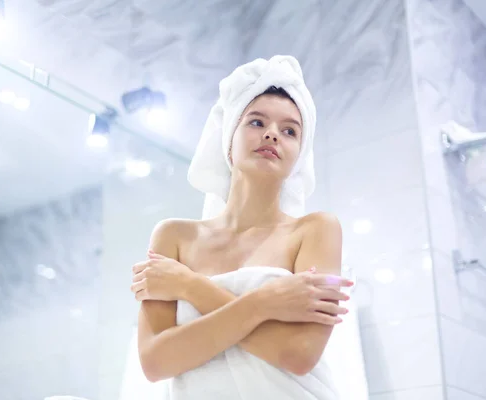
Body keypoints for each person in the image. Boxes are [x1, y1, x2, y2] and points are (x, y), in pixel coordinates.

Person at [130, 55, 353, 399]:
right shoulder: (173, 237)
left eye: (290, 130)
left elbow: (298, 355)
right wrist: (266, 304)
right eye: (255, 122)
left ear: (298, 154)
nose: (271, 134)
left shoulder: (316, 230)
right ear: (228, 140)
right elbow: (156, 363)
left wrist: (189, 285)